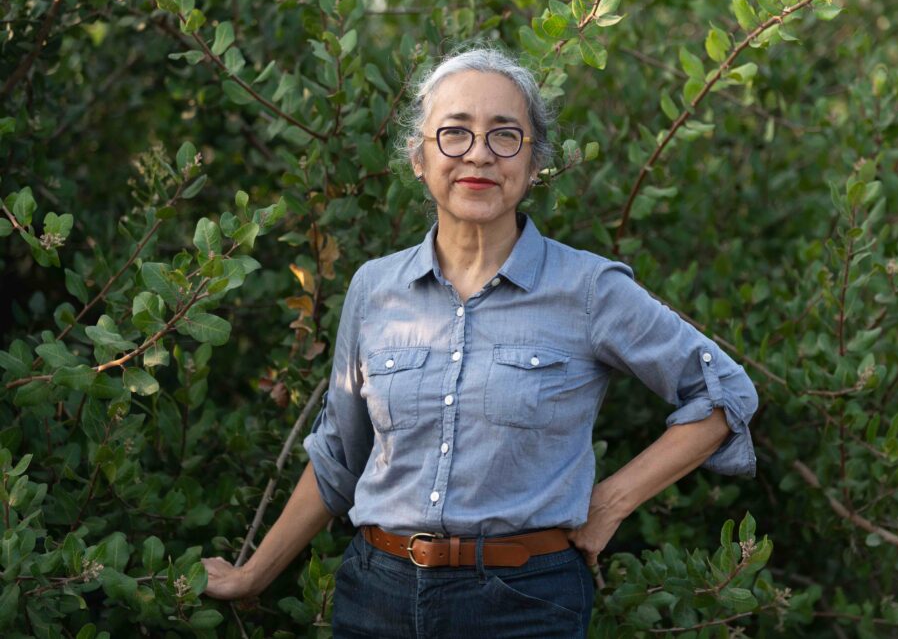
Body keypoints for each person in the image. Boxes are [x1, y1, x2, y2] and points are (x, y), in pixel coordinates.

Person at [201, 46, 759, 638]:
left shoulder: (590, 289)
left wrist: (611, 502)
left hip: (524, 605)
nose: (479, 155)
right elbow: (341, 456)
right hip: (375, 596)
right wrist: (251, 577)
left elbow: (726, 394)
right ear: (419, 157)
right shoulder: (374, 288)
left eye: (505, 136)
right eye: (454, 133)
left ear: (534, 160)